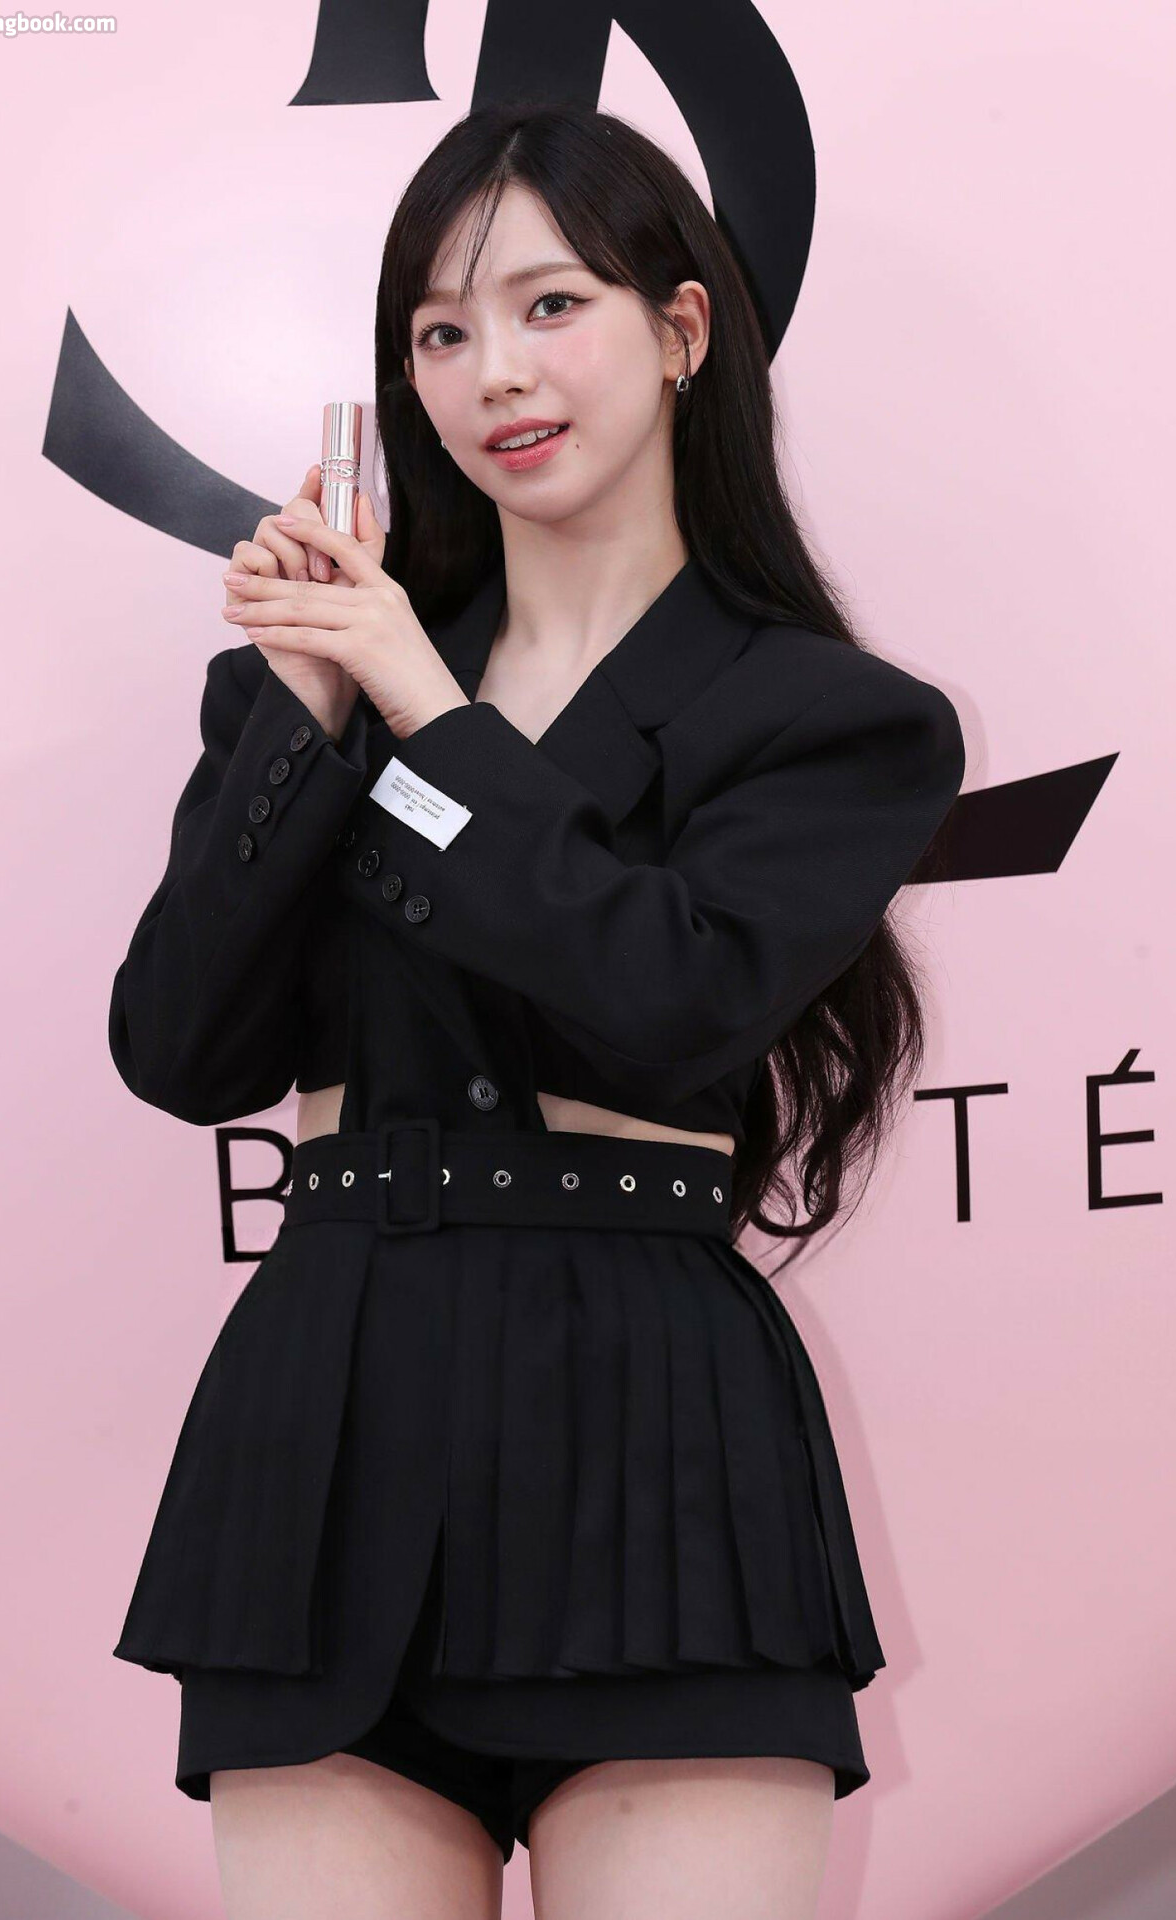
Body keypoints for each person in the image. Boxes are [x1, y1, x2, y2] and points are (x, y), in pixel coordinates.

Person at [109, 100, 965, 1919]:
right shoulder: (322, 688)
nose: (492, 369)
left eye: (549, 304)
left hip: (650, 1433)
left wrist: (427, 711)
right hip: (329, 1418)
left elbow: (672, 1000)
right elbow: (179, 1050)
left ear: (682, 328)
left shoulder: (827, 718)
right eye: (440, 329)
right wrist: (314, 709)